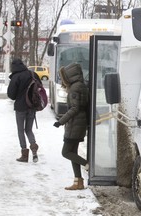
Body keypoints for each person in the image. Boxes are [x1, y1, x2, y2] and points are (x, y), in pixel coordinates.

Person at [53, 62, 89, 190]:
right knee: (73, 152)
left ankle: (88, 165)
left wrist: (60, 121)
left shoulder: (74, 88)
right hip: (79, 124)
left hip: (74, 125)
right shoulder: (81, 86)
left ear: (69, 76)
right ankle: (78, 181)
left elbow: (74, 108)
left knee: (66, 152)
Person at [7, 58, 40, 163]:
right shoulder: (32, 74)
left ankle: (24, 154)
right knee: (29, 130)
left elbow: (11, 95)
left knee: (21, 130)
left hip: (20, 108)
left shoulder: (16, 77)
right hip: (32, 106)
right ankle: (34, 148)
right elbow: (40, 88)